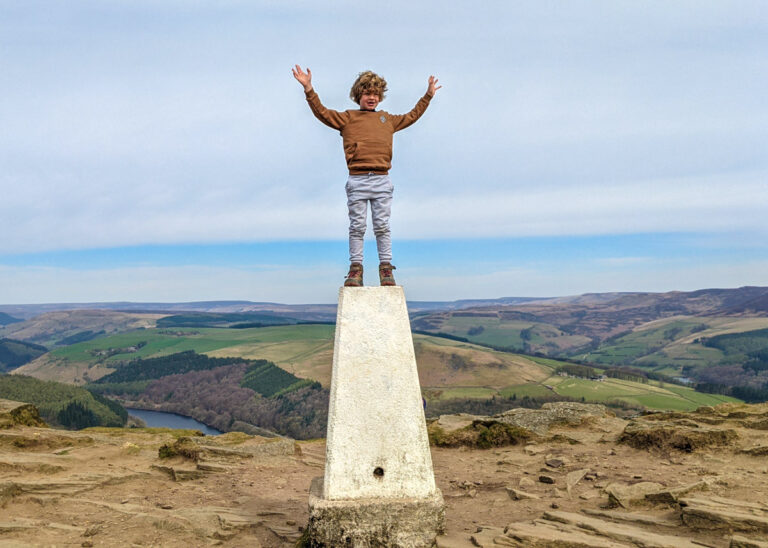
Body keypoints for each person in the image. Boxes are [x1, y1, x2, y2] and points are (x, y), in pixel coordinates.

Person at [292, 65, 440, 287]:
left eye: (376, 94)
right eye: (367, 93)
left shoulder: (387, 119)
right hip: (358, 180)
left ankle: (386, 269)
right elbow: (322, 112)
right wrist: (308, 88)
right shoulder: (348, 118)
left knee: (382, 226)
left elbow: (412, 116)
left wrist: (427, 96)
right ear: (358, 95)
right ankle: (355, 270)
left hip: (381, 179)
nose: (372, 98)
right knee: (357, 227)